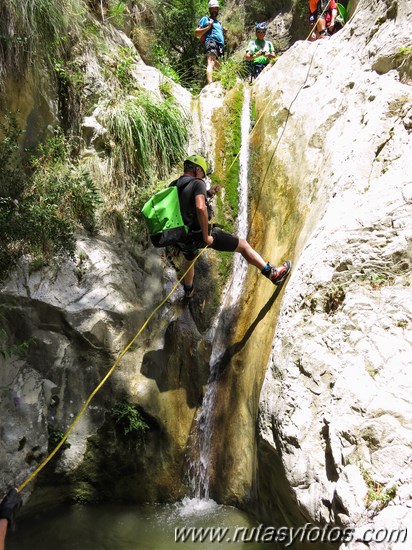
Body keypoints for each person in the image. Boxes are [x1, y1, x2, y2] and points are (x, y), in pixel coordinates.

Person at [174, 155, 291, 298]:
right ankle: (273, 274)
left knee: (189, 260)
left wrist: (209, 193)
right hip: (198, 234)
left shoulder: (175, 185)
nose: (202, 178)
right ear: (197, 169)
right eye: (202, 175)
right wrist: (206, 236)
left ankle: (188, 291)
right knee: (242, 245)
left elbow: (186, 204)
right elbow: (199, 207)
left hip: (182, 237)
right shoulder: (198, 183)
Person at [194, 0, 227, 84]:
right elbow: (196, 32)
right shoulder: (206, 19)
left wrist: (223, 32)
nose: (214, 10)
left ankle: (217, 84)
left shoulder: (219, 23)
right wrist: (208, 27)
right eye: (212, 9)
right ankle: (210, 84)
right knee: (211, 62)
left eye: (216, 8)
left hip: (220, 46)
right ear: (209, 9)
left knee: (218, 66)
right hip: (211, 41)